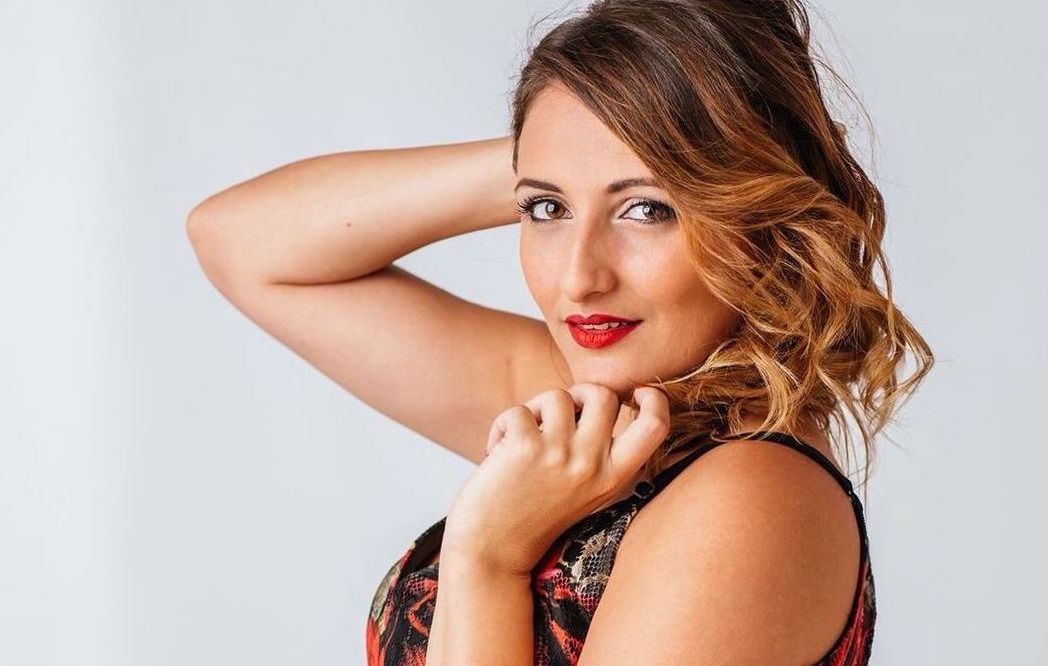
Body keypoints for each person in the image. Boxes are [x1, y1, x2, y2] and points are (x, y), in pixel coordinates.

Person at [186, 0, 933, 663]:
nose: (579, 277)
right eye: (546, 211)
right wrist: (571, 147)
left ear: (759, 216)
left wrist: (488, 558)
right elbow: (242, 243)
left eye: (648, 210)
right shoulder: (609, 419)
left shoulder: (748, 498)